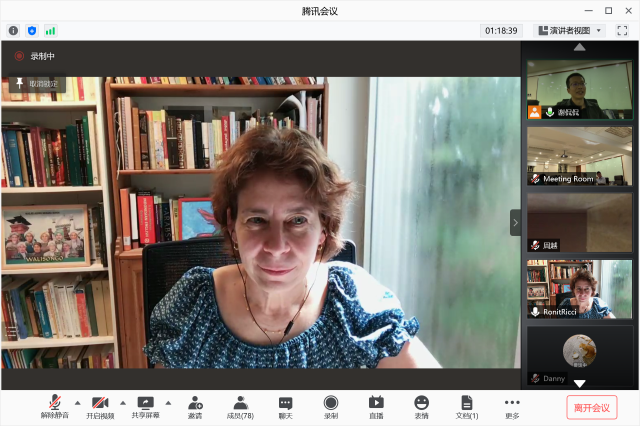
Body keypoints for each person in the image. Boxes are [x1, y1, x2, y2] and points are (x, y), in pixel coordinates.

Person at [144, 127, 441, 368]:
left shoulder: (355, 300)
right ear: (232, 224)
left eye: (297, 220)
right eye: (257, 220)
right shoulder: (194, 305)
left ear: (323, 227)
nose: (276, 247)